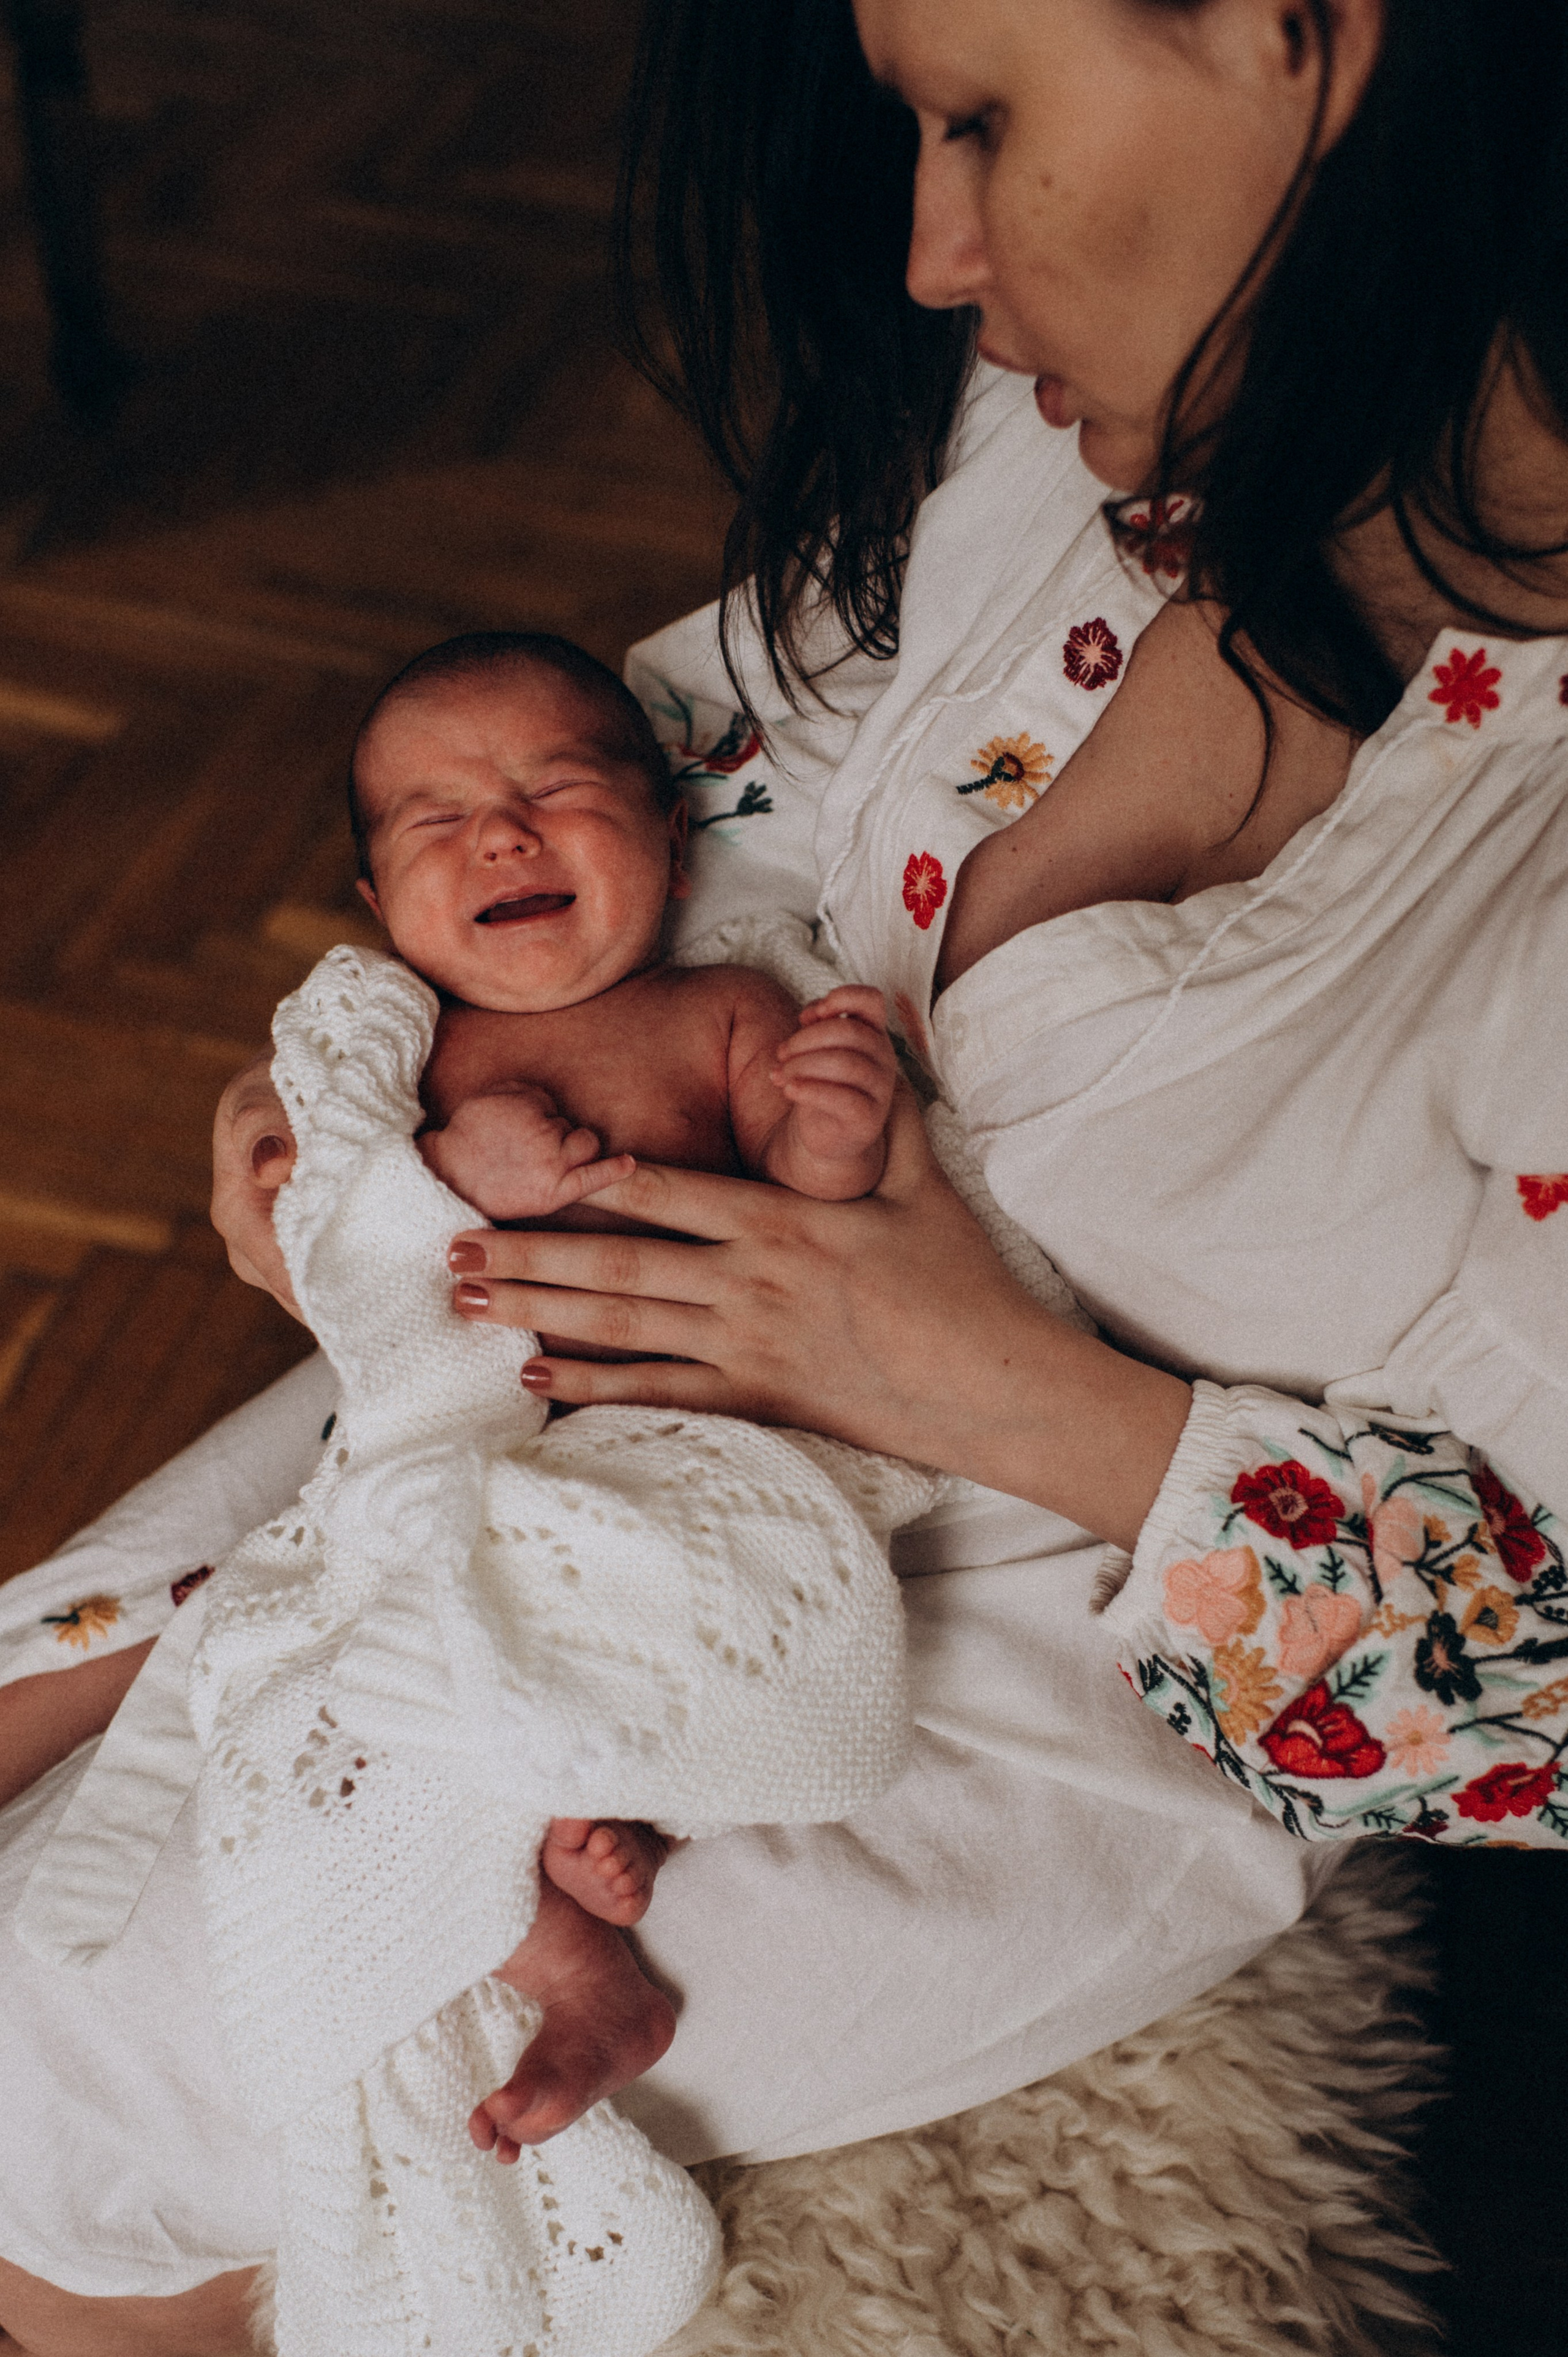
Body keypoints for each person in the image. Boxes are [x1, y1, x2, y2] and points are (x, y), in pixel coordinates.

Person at [2, 1, 1565, 2349]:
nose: (935, 253)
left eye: (982, 122)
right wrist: (382, 1082)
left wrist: (972, 1373)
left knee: (84, 2095)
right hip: (606, 1378)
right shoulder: (1093, 452)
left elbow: (1534, 1688)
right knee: (46, 1697)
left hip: (1023, 1649)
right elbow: (647, 758)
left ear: (1300, 38)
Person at [226, 621, 905, 2170]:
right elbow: (334, 1240)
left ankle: (635, 1806)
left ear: (672, 844)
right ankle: (570, 1955)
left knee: (671, 1614)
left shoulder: (725, 1011)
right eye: (436, 822)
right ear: (380, 907)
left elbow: (806, 1210)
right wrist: (443, 1179)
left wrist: (834, 1129)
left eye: (558, 787)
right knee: (333, 1694)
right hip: (470, 1450)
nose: (504, 833)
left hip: (673, 1441)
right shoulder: (407, 1062)